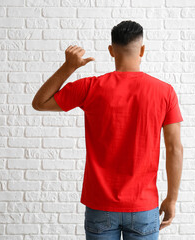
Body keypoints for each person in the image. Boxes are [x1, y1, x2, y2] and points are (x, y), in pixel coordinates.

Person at [32, 20, 184, 240]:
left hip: (100, 206)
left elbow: (40, 103)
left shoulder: (90, 87)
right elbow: (174, 148)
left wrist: (69, 67)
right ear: (142, 50)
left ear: (111, 51)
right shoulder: (165, 92)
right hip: (143, 205)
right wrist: (171, 198)